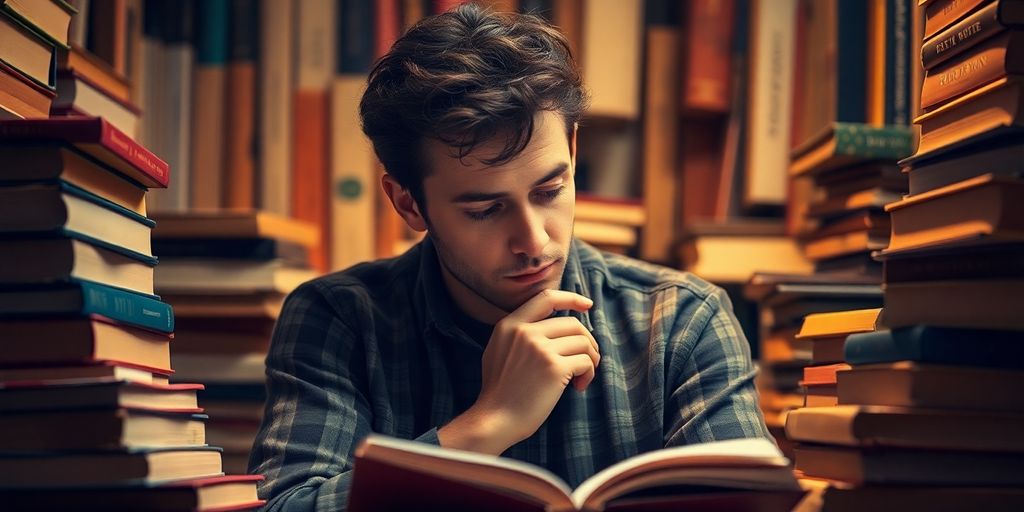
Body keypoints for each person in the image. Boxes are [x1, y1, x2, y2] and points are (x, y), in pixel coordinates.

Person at [249, 4, 772, 510]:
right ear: (408, 202)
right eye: (485, 209)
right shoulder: (339, 320)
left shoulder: (683, 321)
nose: (535, 241)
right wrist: (487, 425)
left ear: (571, 148)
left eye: (550, 190)